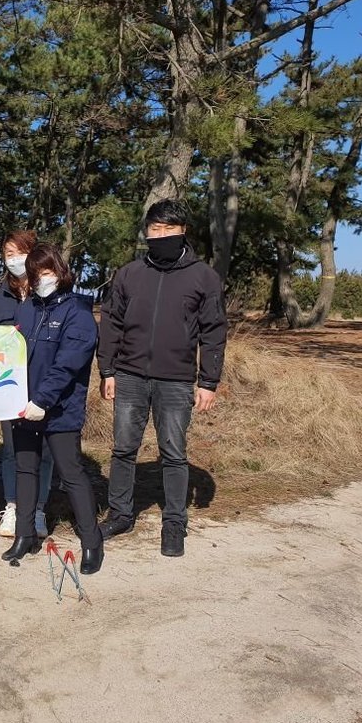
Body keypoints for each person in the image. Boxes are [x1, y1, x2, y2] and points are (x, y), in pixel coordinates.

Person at [97, 199, 227, 557]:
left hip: (176, 379)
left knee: (173, 452)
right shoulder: (129, 274)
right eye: (155, 229)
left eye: (169, 229)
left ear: (183, 231)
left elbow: (213, 330)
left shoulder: (203, 276)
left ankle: (174, 523)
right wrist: (107, 370)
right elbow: (112, 323)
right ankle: (121, 513)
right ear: (147, 233)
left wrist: (208, 381)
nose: (162, 235)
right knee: (124, 448)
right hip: (130, 375)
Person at [4, 243, 103, 576]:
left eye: (46, 272)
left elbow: (67, 364)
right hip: (24, 405)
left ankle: (92, 541)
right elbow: (11, 355)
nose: (41, 279)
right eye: (35, 274)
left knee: (70, 472)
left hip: (59, 408)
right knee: (25, 469)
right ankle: (24, 534)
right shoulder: (27, 309)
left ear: (60, 272)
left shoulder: (78, 312)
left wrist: (43, 401)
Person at [0, 229, 54, 538]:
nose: (15, 260)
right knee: (13, 449)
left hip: (45, 381)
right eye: (8, 255)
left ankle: (38, 509)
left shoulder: (51, 292)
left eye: (20, 252)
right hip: (9, 385)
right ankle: (13, 506)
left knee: (45, 451)